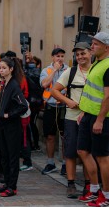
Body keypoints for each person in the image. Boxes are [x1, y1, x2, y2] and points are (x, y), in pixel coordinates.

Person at [51, 42, 92, 199]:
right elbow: (54, 90)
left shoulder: (96, 70)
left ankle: (89, 184)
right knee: (70, 152)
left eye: (83, 53)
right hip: (72, 118)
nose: (80, 56)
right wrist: (68, 101)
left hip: (89, 118)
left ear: (90, 53)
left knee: (87, 152)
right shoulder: (71, 71)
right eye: (78, 54)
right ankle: (71, 184)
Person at [77, 32, 109, 206]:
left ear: (106, 47)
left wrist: (100, 120)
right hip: (88, 114)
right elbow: (91, 91)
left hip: (101, 118)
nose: (92, 47)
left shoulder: (108, 66)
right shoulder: (98, 63)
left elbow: (107, 97)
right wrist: (84, 111)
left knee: (102, 156)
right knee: (83, 151)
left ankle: (106, 195)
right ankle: (94, 190)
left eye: (96, 44)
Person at [0, 57, 28, 197]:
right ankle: (7, 183)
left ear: (11, 69)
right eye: (0, 68)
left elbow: (23, 105)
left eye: (4, 68)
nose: (1, 70)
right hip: (2, 126)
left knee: (12, 157)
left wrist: (9, 115)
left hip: (12, 127)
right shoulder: (4, 83)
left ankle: (12, 187)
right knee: (4, 156)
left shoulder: (13, 85)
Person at [40, 47, 68, 174]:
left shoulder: (68, 70)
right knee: (50, 136)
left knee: (65, 137)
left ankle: (65, 164)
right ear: (53, 57)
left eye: (62, 56)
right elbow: (44, 84)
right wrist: (55, 70)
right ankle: (50, 163)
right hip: (50, 107)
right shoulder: (47, 70)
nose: (60, 58)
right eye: (58, 56)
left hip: (64, 108)